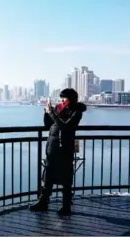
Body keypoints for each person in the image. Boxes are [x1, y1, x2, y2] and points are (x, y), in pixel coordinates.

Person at [29, 88, 87, 216]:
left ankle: (66, 206)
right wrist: (47, 112)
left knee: (66, 177)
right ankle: (43, 201)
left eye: (64, 98)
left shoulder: (76, 112)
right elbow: (48, 125)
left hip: (65, 147)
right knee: (48, 175)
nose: (62, 100)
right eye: (61, 98)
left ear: (71, 98)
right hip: (53, 146)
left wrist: (53, 114)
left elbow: (65, 127)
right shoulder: (60, 108)